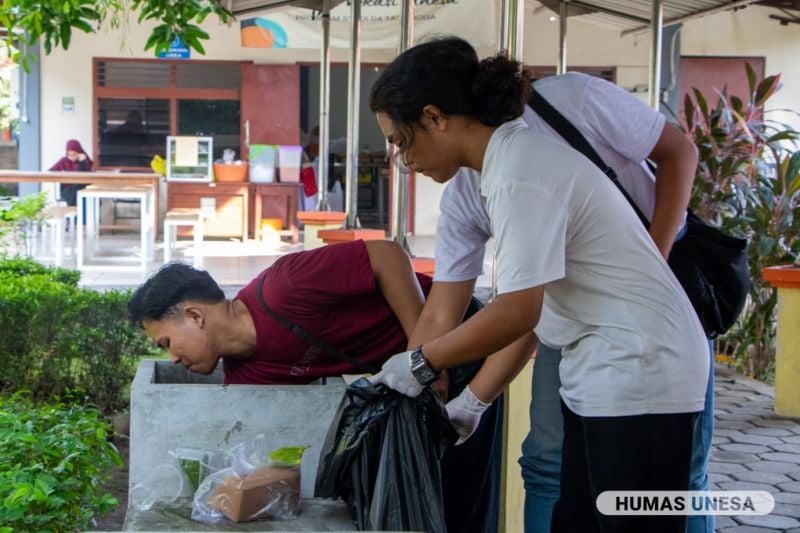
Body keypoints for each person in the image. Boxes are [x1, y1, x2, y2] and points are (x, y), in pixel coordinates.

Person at [369, 37, 709, 532]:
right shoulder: (501, 167)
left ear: (435, 117)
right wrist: (445, 395)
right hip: (601, 365)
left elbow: (517, 311)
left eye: (402, 142)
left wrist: (422, 363)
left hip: (641, 367)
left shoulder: (519, 173)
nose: (405, 162)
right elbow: (473, 309)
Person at [128, 239, 502, 533]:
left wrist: (423, 353)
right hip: (415, 386)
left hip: (460, 340)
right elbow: (272, 455)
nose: (172, 358)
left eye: (166, 343)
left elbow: (388, 256)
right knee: (432, 501)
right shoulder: (245, 376)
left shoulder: (285, 286)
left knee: (464, 499)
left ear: (194, 315)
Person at [49, 139, 93, 206]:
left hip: (83, 188)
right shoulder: (64, 161)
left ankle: (75, 213)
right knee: (74, 191)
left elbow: (82, 175)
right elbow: (51, 171)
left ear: (79, 153)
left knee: (78, 190)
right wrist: (62, 175)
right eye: (69, 154)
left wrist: (82, 162)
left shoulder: (86, 161)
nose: (71, 157)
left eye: (74, 154)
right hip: (68, 188)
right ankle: (75, 213)